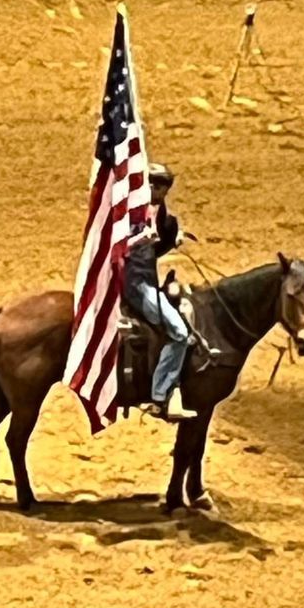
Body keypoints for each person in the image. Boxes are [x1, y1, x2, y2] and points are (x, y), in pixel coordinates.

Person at [122, 163, 197, 422]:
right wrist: (139, 238)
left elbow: (155, 249)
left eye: (159, 184)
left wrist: (173, 238)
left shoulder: (163, 217)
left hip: (147, 281)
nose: (153, 187)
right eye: (150, 182)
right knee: (179, 333)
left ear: (166, 190)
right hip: (135, 283)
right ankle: (161, 395)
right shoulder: (130, 214)